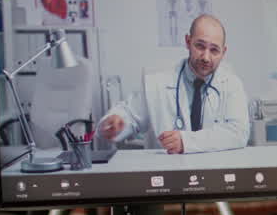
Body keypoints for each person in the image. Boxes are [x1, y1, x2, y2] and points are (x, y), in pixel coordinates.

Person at [97, 13, 250, 154]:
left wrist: (186, 142)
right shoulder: (156, 83)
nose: (206, 57)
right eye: (200, 46)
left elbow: (238, 133)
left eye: (214, 50)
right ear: (188, 42)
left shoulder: (232, 85)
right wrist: (115, 123)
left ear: (223, 52)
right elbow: (130, 115)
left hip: (215, 175)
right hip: (167, 175)